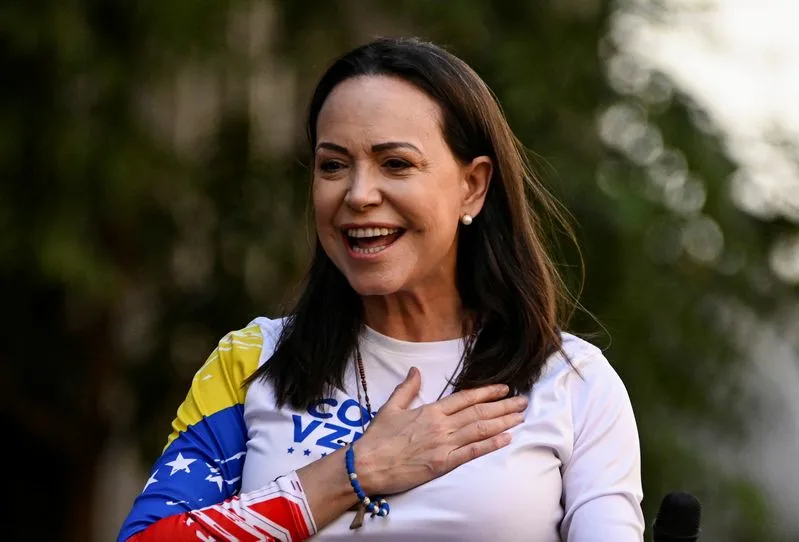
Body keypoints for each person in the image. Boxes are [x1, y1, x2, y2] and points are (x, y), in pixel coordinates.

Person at [118, 37, 644, 541]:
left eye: (396, 164)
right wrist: (355, 470)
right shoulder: (253, 361)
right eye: (333, 165)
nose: (358, 194)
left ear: (473, 186)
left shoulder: (573, 382)